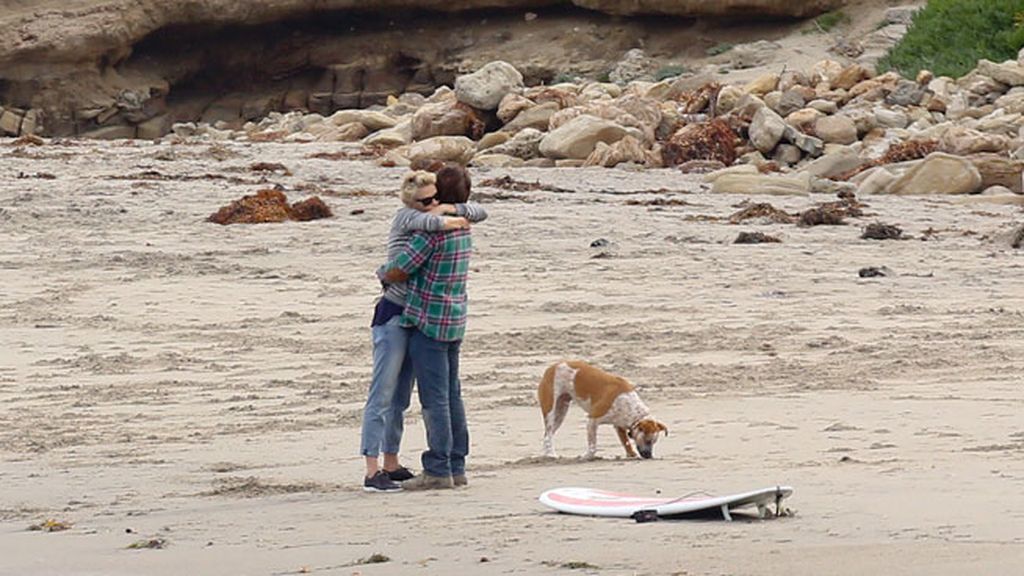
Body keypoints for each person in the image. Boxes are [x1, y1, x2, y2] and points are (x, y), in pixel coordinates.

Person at [360, 169, 487, 493]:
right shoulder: (460, 228)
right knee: (450, 395)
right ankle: (454, 465)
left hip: (427, 321)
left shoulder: (433, 234)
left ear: (442, 198)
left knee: (435, 400)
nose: (429, 205)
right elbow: (476, 211)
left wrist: (382, 273)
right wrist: (455, 212)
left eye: (434, 199)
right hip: (454, 318)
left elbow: (400, 269)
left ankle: (438, 468)